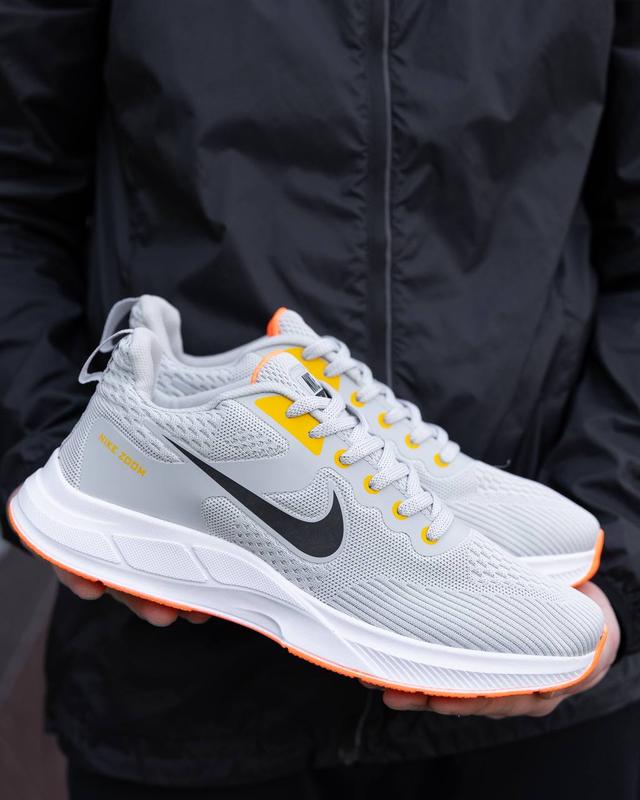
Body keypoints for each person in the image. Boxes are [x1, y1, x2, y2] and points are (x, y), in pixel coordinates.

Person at [1, 2, 639, 798]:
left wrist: (620, 547)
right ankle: (133, 469)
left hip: (549, 727)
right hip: (179, 697)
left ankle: (412, 527)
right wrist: (56, 443)